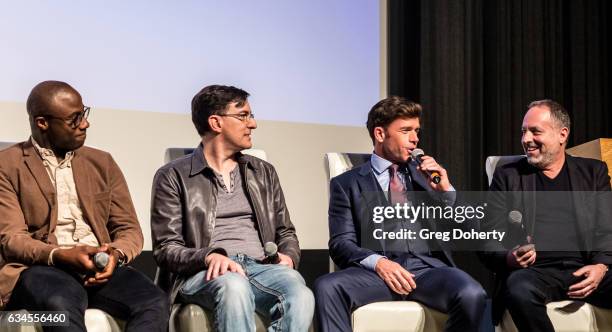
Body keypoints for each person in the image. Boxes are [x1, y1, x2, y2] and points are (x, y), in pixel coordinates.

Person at [0, 80, 169, 331]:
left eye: (84, 114)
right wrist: (59, 254)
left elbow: (129, 229)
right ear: (42, 123)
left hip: (100, 266)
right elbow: (11, 238)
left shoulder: (102, 162)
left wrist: (115, 253)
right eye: (74, 119)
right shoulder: (7, 165)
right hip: (42, 268)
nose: (85, 124)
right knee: (60, 305)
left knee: (155, 301)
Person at [314, 96, 486, 332]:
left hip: (427, 271)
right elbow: (341, 243)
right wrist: (379, 264)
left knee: (472, 293)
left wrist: (447, 191)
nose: (415, 139)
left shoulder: (427, 177)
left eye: (416, 131)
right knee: (327, 287)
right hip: (378, 274)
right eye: (406, 130)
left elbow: (473, 229)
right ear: (380, 134)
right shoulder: (348, 183)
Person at [151, 84, 314, 332]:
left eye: (251, 115)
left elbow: (285, 231)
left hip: (261, 267)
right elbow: (166, 248)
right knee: (233, 286)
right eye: (243, 116)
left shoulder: (263, 172)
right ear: (216, 123)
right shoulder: (173, 175)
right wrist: (208, 255)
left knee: (299, 290)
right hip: (203, 272)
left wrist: (289, 257)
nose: (253, 124)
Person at [482, 99, 612, 331]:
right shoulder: (508, 176)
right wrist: (510, 258)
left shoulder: (593, 172)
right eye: (523, 132)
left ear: (562, 134)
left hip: (585, 268)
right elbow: (487, 239)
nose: (526, 140)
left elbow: (607, 227)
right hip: (535, 274)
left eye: (535, 131)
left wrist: (601, 266)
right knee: (518, 288)